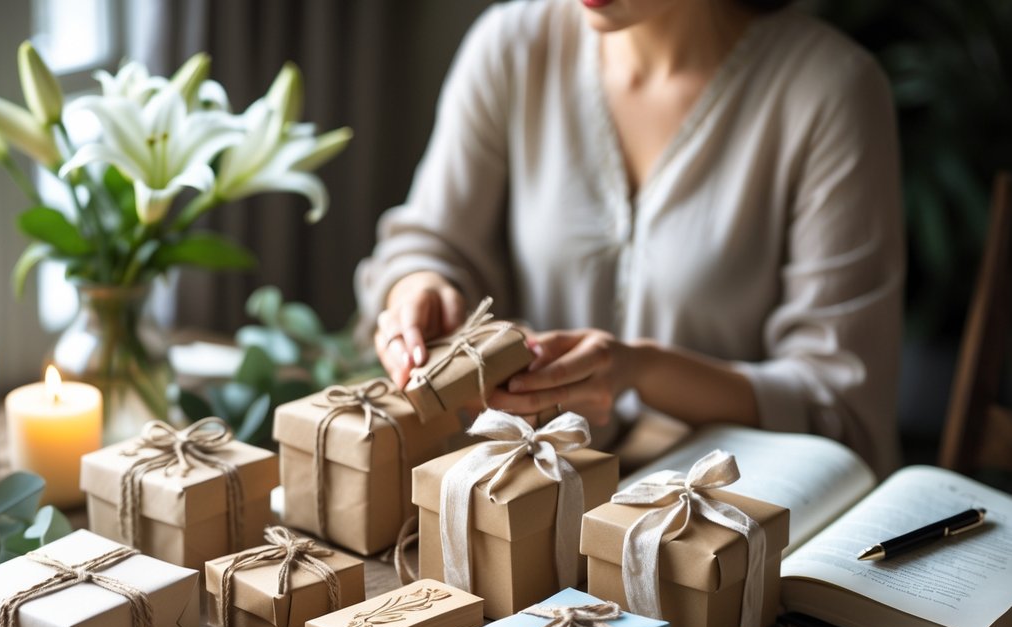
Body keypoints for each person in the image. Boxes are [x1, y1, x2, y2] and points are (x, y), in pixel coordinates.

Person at [356, 0, 904, 476]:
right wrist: (417, 287)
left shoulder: (831, 90)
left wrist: (643, 371)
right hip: (523, 495)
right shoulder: (512, 47)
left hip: (720, 536)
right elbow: (429, 239)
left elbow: (838, 407)